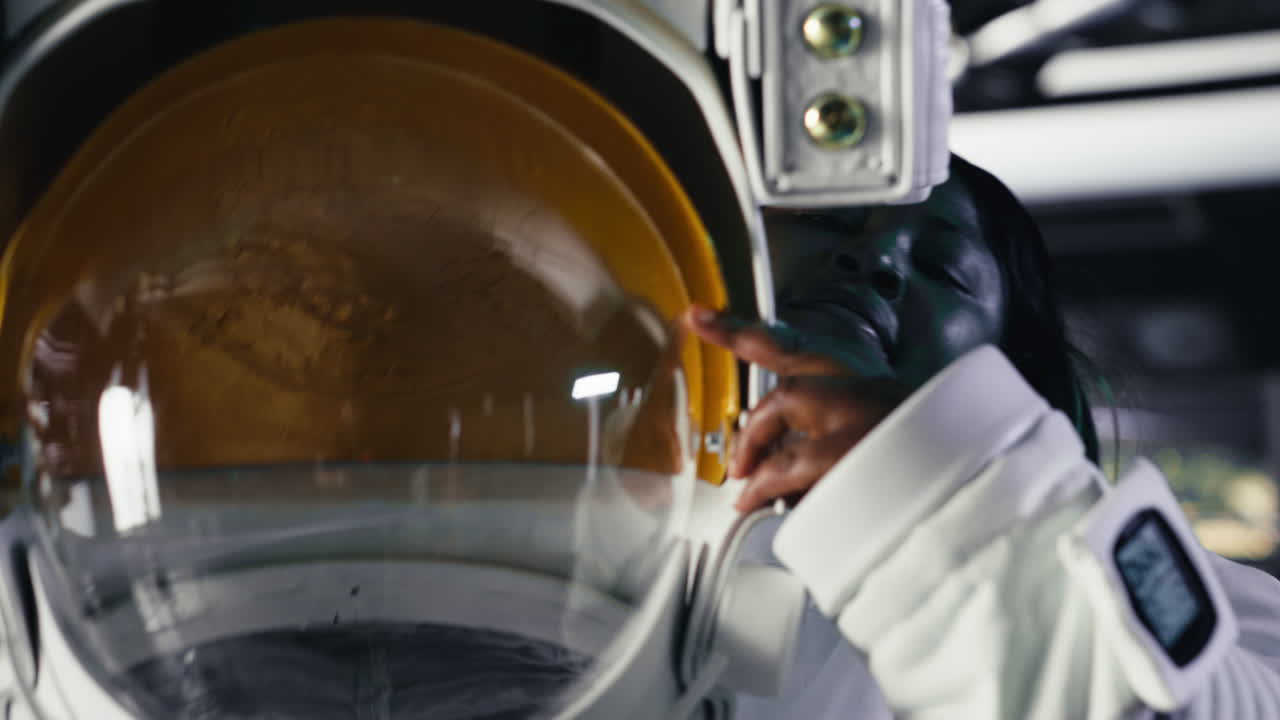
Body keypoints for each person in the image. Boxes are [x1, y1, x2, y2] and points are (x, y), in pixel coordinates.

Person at [681, 155, 1280, 719]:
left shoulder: (1179, 601)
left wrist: (924, 484)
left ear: (1009, 363)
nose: (878, 260)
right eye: (823, 220)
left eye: (943, 269)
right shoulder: (602, 482)